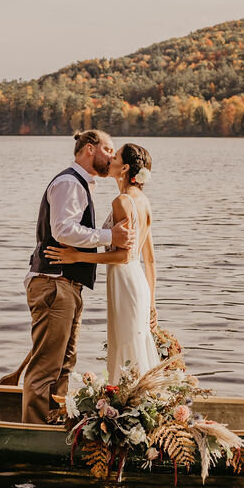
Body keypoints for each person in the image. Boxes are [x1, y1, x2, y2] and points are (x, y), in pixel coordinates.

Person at [0, 130, 135, 424]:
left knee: (64, 364)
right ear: (90, 149)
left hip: (66, 285)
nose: (112, 156)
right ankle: (34, 432)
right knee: (46, 368)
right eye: (108, 149)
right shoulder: (68, 183)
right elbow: (63, 230)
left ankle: (52, 421)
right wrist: (109, 235)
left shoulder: (80, 184)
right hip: (53, 284)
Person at [44, 143, 160, 383]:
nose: (110, 159)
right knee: (135, 341)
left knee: (126, 345)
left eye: (115, 156)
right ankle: (141, 401)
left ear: (125, 167)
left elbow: (123, 256)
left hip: (124, 281)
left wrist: (77, 256)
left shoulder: (122, 202)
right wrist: (152, 303)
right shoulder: (144, 202)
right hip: (138, 282)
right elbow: (148, 259)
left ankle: (130, 406)